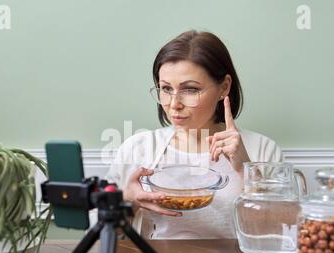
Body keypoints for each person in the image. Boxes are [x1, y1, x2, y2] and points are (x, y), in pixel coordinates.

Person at [104, 30, 283, 239]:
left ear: (224, 87)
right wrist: (128, 203)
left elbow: (282, 234)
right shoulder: (137, 148)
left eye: (190, 90)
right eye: (165, 88)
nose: (174, 104)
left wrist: (246, 170)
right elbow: (102, 239)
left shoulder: (263, 150)